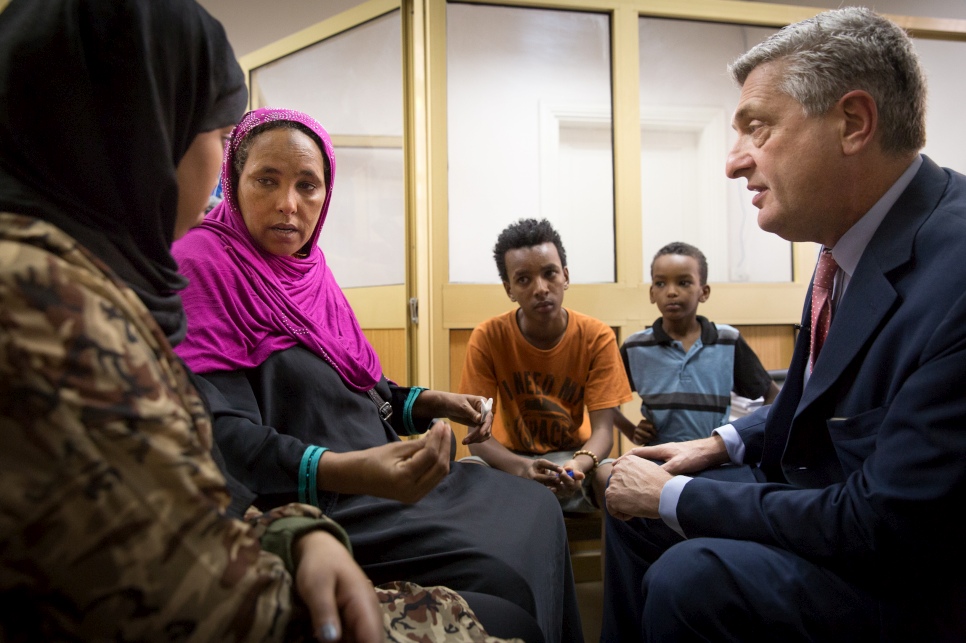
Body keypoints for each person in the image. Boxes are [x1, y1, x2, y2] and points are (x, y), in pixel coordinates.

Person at [0, 2, 524, 642]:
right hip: (318, 512)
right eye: (232, 153)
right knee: (504, 597)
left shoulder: (294, 272)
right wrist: (322, 503)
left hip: (318, 510)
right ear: (144, 135)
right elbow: (192, 553)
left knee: (525, 522)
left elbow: (342, 389)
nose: (288, 204)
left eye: (309, 185)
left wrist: (416, 404)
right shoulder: (54, 304)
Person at [601, 7, 966, 642]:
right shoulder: (844, 245)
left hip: (916, 578)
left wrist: (674, 497)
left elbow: (883, 523)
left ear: (852, 123)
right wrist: (716, 445)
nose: (733, 161)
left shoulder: (956, 274)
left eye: (757, 129)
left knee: (693, 577)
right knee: (631, 512)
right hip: (836, 504)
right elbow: (823, 399)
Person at [172, 109, 583, 643]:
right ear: (231, 181)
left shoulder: (308, 269)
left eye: (307, 186)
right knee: (498, 574)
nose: (288, 204)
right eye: (266, 181)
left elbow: (361, 386)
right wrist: (353, 469)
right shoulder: (203, 265)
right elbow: (225, 438)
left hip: (379, 476)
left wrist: (434, 401)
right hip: (323, 498)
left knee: (532, 505)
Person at [458, 218, 633, 512]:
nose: (540, 288)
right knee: (466, 472)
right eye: (523, 279)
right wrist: (523, 468)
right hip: (509, 460)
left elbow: (604, 430)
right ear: (509, 289)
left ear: (565, 276)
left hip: (574, 458)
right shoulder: (488, 337)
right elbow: (478, 439)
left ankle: (613, 559)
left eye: (549, 273)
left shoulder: (596, 336)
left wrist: (576, 466)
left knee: (616, 478)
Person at [616, 241, 778, 446]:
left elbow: (773, 394)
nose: (671, 292)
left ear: (704, 292)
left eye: (683, 283)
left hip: (713, 460)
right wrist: (632, 432)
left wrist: (742, 436)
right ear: (652, 293)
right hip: (658, 459)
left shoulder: (728, 340)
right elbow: (603, 401)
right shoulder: (635, 347)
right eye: (660, 283)